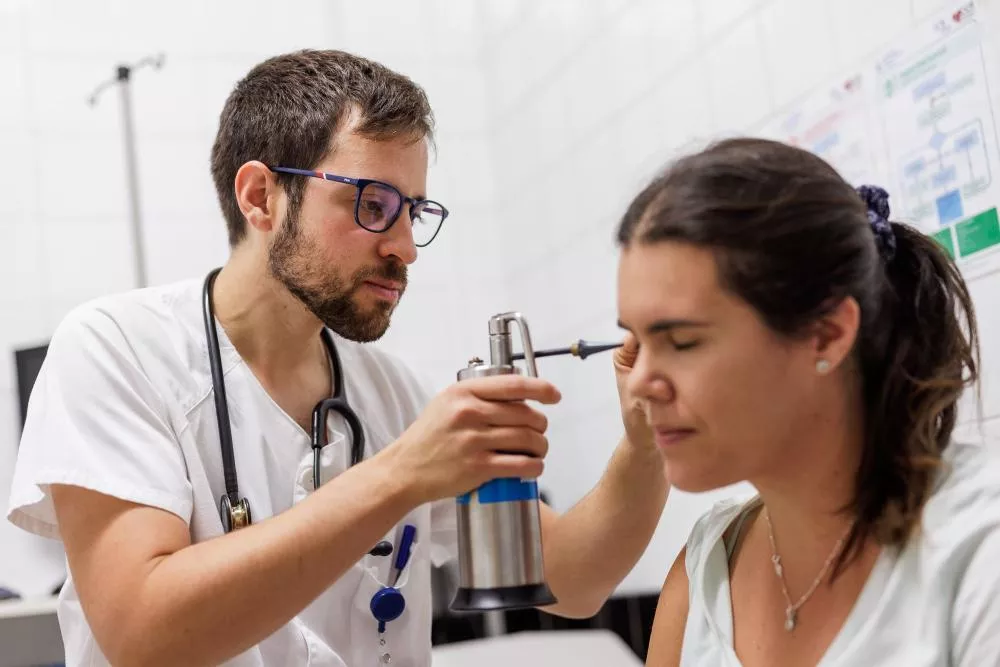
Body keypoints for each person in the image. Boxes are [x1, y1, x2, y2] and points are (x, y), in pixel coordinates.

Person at [6, 49, 668, 667]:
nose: (406, 246)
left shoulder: (394, 394)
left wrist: (644, 444)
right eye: (373, 205)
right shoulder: (116, 349)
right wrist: (400, 475)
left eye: (414, 211)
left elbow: (572, 579)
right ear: (261, 196)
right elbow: (143, 631)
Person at [614, 137, 1000, 666]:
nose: (638, 384)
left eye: (682, 342)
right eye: (638, 342)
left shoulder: (978, 552)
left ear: (825, 335)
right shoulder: (706, 568)